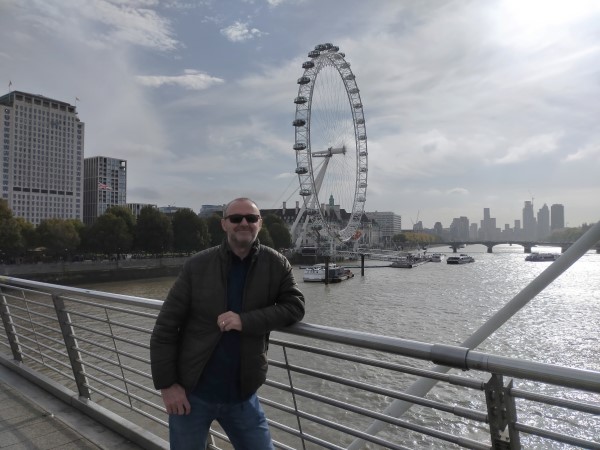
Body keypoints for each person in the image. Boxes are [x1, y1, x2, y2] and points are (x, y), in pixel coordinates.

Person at [150, 197, 305, 449]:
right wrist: (168, 386)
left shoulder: (277, 264)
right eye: (235, 218)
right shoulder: (197, 266)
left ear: (259, 223)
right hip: (192, 393)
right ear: (224, 224)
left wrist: (245, 320)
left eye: (251, 218)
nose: (244, 223)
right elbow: (165, 329)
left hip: (242, 395)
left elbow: (295, 307)